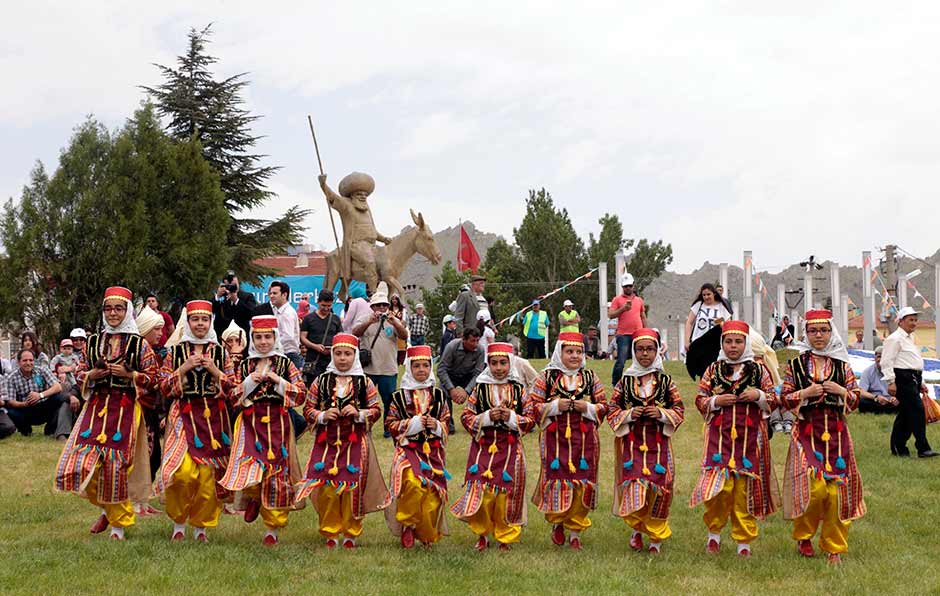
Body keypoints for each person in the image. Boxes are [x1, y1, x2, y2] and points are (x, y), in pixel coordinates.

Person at [55, 286, 160, 541]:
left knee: (115, 467)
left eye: (119, 308)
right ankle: (106, 506)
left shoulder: (139, 344)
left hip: (125, 410)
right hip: (96, 409)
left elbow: (154, 379)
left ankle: (118, 527)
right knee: (82, 464)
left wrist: (130, 375)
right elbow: (79, 372)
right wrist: (91, 375)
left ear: (128, 312)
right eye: (108, 308)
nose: (113, 313)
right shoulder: (93, 341)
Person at [779, 309, 865, 564]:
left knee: (838, 492)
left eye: (823, 330)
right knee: (813, 488)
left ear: (831, 332)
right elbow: (784, 397)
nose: (818, 335)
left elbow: (856, 397)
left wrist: (840, 391)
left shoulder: (842, 365)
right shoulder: (795, 365)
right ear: (805, 333)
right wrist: (805, 393)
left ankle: (834, 547)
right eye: (813, 331)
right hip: (807, 432)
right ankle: (804, 535)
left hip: (837, 433)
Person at [690, 320, 779, 557]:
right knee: (719, 489)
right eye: (728, 341)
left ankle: (743, 543)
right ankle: (714, 535)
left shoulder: (759, 370)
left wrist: (758, 395)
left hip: (750, 439)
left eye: (738, 341)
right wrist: (716, 401)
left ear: (746, 343)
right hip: (719, 439)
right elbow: (700, 399)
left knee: (743, 490)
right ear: (722, 343)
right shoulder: (713, 370)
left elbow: (773, 399)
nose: (733, 346)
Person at [219, 315, 306, 546]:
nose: (263, 341)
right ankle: (254, 497)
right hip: (251, 423)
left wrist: (278, 381)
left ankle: (272, 529)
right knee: (250, 467)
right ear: (252, 338)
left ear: (275, 337)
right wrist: (248, 383)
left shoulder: (286, 364)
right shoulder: (245, 365)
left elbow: (301, 394)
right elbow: (232, 397)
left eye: (268, 336)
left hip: (278, 423)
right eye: (258, 337)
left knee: (277, 473)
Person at [296, 333, 387, 549]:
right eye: (338, 353)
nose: (342, 358)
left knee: (351, 487)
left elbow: (376, 410)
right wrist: (322, 415)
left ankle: (350, 533)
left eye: (347, 354)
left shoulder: (365, 382)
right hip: (326, 442)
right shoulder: (321, 381)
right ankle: (330, 532)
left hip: (355, 443)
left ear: (355, 356)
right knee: (327, 486)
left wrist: (359, 413)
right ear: (332, 355)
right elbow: (307, 408)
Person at [155, 300, 234, 542]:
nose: (200, 324)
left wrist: (215, 372)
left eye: (204, 320)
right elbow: (164, 386)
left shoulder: (221, 353)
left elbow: (233, 388)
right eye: (195, 319)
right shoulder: (176, 352)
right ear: (187, 322)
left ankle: (201, 527)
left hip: (213, 417)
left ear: (210, 322)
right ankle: (179, 521)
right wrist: (183, 369)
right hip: (184, 414)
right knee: (182, 472)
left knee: (208, 476)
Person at [526, 332, 606, 550]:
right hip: (555, 439)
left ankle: (576, 531)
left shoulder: (590, 377)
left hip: (585, 440)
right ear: (559, 352)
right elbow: (533, 406)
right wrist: (554, 406)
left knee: (582, 482)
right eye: (569, 351)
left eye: (579, 352)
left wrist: (588, 408)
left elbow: (604, 406)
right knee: (557, 480)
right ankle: (558, 522)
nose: (574, 356)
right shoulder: (547, 377)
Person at [450, 342, 534, 551]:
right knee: (483, 490)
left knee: (507, 493)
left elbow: (531, 418)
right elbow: (466, 416)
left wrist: (511, 417)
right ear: (488, 364)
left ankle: (506, 535)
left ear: (510, 363)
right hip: (483, 448)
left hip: (510, 448)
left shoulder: (519, 390)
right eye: (494, 363)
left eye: (503, 363)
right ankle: (483, 533)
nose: (498, 368)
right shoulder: (480, 388)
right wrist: (487, 417)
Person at [607, 328, 684, 553]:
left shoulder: (666, 381)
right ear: (633, 351)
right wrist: (630, 414)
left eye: (650, 349)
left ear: (657, 350)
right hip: (632, 445)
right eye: (640, 349)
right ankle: (637, 529)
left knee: (660, 487)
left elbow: (679, 408)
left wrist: (660, 414)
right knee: (634, 485)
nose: (644, 354)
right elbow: (612, 409)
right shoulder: (625, 381)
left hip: (658, 444)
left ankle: (656, 539)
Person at [383, 344, 451, 549]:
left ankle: (427, 534)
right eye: (416, 366)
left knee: (432, 493)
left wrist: (437, 426)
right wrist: (411, 424)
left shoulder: (439, 395)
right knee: (412, 484)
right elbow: (390, 425)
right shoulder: (398, 397)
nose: (421, 370)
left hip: (433, 452)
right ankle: (409, 525)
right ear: (409, 369)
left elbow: (447, 420)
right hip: (408, 450)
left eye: (425, 365)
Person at [881, 307, 939, 458]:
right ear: (901, 322)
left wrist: (921, 381)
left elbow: (913, 361)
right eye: (910, 320)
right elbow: (887, 361)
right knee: (917, 410)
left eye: (915, 320)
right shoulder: (894, 339)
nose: (914, 323)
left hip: (913, 377)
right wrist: (891, 381)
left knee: (907, 414)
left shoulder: (909, 338)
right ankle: (922, 447)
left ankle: (898, 447)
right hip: (903, 377)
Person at [352, 283, 408, 436]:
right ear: (372, 306)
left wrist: (395, 322)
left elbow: (404, 336)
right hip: (368, 368)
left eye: (384, 305)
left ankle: (388, 429)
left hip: (388, 368)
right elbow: (355, 332)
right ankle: (364, 427)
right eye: (378, 305)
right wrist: (369, 321)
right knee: (364, 400)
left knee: (389, 401)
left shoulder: (393, 320)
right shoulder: (365, 318)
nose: (382, 308)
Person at [134, 306, 167, 516]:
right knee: (141, 455)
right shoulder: (136, 350)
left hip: (151, 408)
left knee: (154, 455)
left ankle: (144, 501)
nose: (160, 334)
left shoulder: (155, 353)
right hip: (138, 409)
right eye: (156, 329)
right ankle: (135, 502)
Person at [2, 349, 68, 438]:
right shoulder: (11, 377)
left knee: (60, 397)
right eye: (25, 360)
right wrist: (24, 404)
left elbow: (58, 387)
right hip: (25, 409)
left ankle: (50, 429)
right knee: (10, 410)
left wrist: (40, 395)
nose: (28, 363)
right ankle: (25, 431)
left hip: (43, 405)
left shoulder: (42, 370)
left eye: (31, 360)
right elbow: (11, 401)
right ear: (18, 362)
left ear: (34, 361)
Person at [437, 328, 485, 434]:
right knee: (441, 393)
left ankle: (479, 422)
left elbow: (478, 373)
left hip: (469, 376)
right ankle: (447, 423)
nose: (476, 344)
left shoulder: (481, 350)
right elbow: (441, 369)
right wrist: (451, 389)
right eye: (472, 341)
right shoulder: (451, 346)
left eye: (477, 340)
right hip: (451, 375)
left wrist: (467, 391)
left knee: (482, 390)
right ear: (464, 339)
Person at [608, 273, 648, 385]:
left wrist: (646, 331)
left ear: (633, 286)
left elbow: (643, 316)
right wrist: (623, 309)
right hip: (623, 335)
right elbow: (610, 314)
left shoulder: (639, 300)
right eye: (626, 286)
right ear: (622, 287)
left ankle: (641, 381)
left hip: (638, 334)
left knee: (641, 359)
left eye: (630, 285)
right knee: (621, 361)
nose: (628, 288)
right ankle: (615, 383)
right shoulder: (617, 300)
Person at [300, 290, 343, 384]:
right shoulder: (309, 318)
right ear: (318, 302)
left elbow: (340, 337)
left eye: (329, 306)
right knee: (313, 388)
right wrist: (315, 346)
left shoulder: (335, 319)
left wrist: (333, 348)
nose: (326, 308)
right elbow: (303, 337)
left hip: (331, 361)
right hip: (313, 360)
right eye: (323, 305)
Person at [684, 283, 732, 351]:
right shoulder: (699, 304)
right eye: (704, 295)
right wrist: (687, 341)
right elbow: (689, 322)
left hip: (715, 344)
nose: (706, 297)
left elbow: (728, 324)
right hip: (698, 343)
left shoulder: (721, 306)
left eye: (708, 294)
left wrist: (720, 323)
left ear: (714, 294)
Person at [212, 271, 258, 340]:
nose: (231, 287)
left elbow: (251, 313)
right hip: (222, 337)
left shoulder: (247, 296)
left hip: (241, 337)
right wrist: (218, 296)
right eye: (228, 285)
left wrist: (236, 300)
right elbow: (210, 310)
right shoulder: (221, 298)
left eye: (234, 285)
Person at [857, 347, 899, 413]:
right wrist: (876, 397)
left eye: (883, 357)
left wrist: (895, 398)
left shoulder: (895, 371)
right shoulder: (867, 371)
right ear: (875, 358)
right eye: (879, 357)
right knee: (861, 402)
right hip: (875, 400)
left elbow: (901, 389)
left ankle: (883, 410)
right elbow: (861, 392)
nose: (880, 360)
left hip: (891, 401)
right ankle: (889, 411)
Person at [145, 293, 176, 357]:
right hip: (148, 347)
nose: (151, 303)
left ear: (157, 303)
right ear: (146, 304)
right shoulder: (143, 316)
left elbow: (172, 331)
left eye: (153, 301)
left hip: (162, 347)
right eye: (148, 301)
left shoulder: (165, 315)